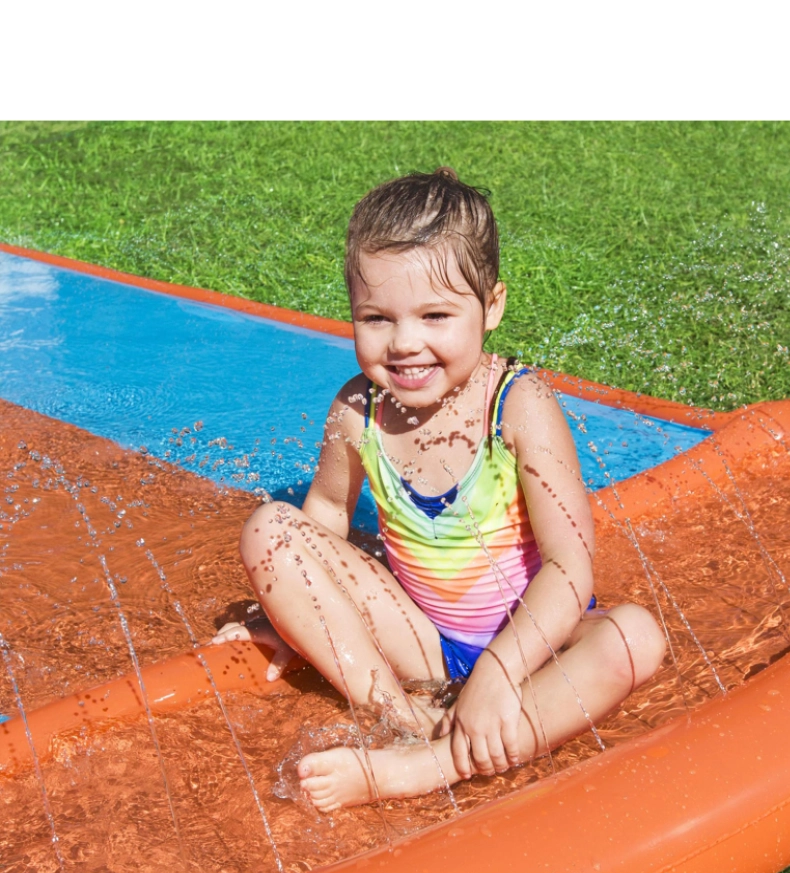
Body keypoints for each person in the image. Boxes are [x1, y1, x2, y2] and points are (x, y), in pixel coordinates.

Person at [213, 168, 666, 812]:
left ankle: (423, 767)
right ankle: (403, 723)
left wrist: (499, 672)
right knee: (268, 529)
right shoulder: (358, 411)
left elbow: (569, 566)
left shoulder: (517, 405)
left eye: (435, 315)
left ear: (493, 306)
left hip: (538, 645)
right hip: (423, 638)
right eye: (376, 318)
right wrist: (295, 615)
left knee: (633, 637)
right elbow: (323, 519)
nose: (404, 343)